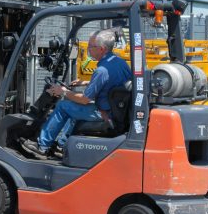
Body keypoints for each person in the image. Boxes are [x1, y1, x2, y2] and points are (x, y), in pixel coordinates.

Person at [21, 29, 132, 159]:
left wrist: (63, 91)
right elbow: (112, 81)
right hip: (115, 110)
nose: (88, 49)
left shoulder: (101, 71)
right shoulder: (119, 62)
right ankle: (62, 146)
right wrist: (84, 82)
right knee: (74, 109)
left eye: (91, 46)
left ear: (102, 49)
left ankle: (42, 146)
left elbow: (85, 99)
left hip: (105, 113)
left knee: (63, 106)